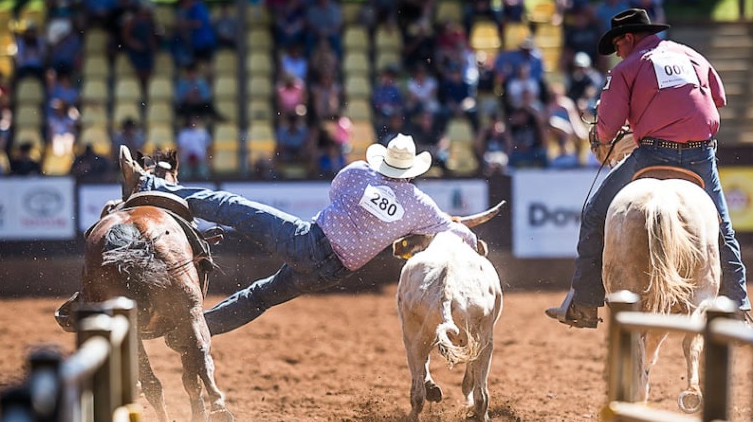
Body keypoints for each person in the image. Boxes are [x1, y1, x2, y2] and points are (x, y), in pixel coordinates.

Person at [119, 134, 481, 336]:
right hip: (333, 271)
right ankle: (195, 333)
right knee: (260, 297)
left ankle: (149, 183)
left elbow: (335, 195)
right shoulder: (421, 206)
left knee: (233, 206)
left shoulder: (359, 173)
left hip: (309, 241)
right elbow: (458, 234)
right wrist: (472, 243)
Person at [545, 8, 752, 328]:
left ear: (628, 38)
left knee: (594, 212)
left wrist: (614, 127)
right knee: (722, 229)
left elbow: (606, 130)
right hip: (701, 155)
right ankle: (738, 305)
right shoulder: (692, 56)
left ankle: (585, 302)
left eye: (617, 46)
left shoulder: (626, 69)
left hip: (654, 154)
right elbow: (718, 98)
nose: (616, 53)